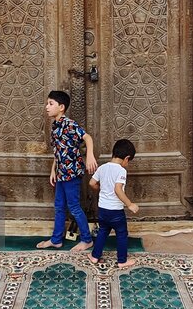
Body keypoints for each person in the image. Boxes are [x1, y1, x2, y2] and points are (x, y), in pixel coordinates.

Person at [37, 90, 98, 252]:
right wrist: (53, 170)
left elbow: (87, 138)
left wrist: (90, 155)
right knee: (59, 206)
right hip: (61, 174)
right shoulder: (55, 127)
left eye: (51, 104)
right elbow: (58, 152)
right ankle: (56, 239)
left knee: (74, 207)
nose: (47, 107)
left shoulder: (69, 124)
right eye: (47, 103)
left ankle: (87, 239)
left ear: (61, 107)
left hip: (72, 173)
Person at [88, 139, 139, 268]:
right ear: (126, 158)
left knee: (103, 231)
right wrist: (130, 204)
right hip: (115, 211)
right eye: (129, 161)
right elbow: (118, 189)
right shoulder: (121, 171)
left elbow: (91, 183)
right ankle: (122, 261)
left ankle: (94, 256)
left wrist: (101, 188)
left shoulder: (102, 167)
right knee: (121, 234)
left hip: (103, 210)